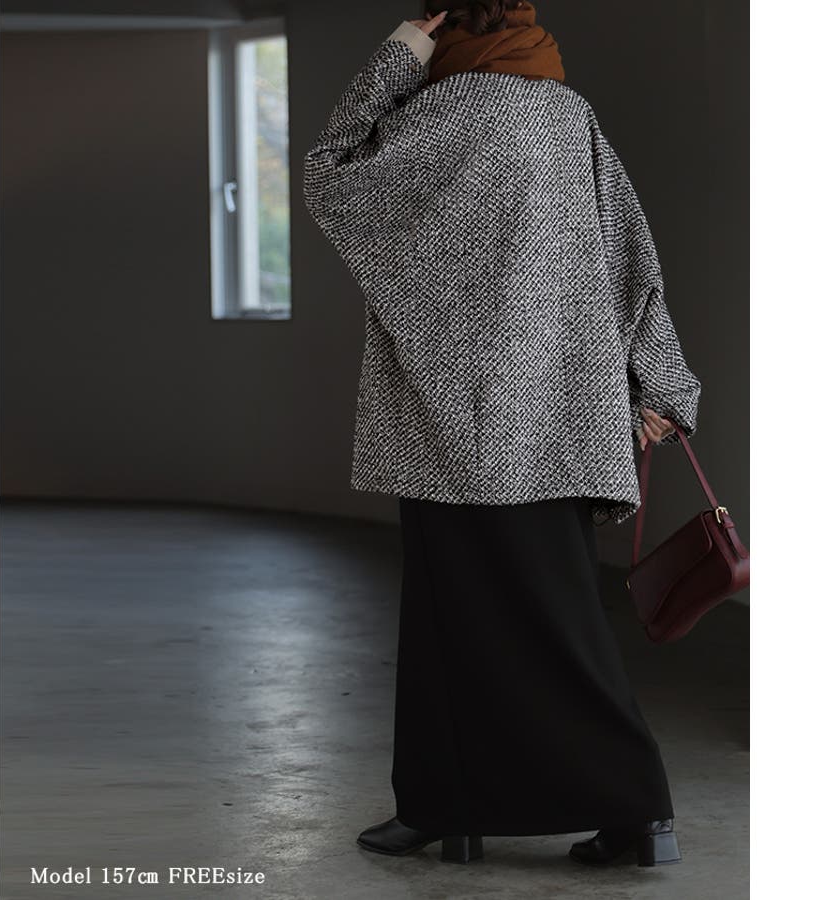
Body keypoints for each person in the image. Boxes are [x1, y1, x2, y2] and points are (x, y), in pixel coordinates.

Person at [303, 0, 700, 868]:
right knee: (557, 619)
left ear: (443, 26)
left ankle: (497, 806)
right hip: (561, 420)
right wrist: (662, 383)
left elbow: (327, 172)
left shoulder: (434, 117)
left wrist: (396, 54)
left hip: (451, 427)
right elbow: (631, 255)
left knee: (449, 622)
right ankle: (593, 815)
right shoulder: (568, 117)